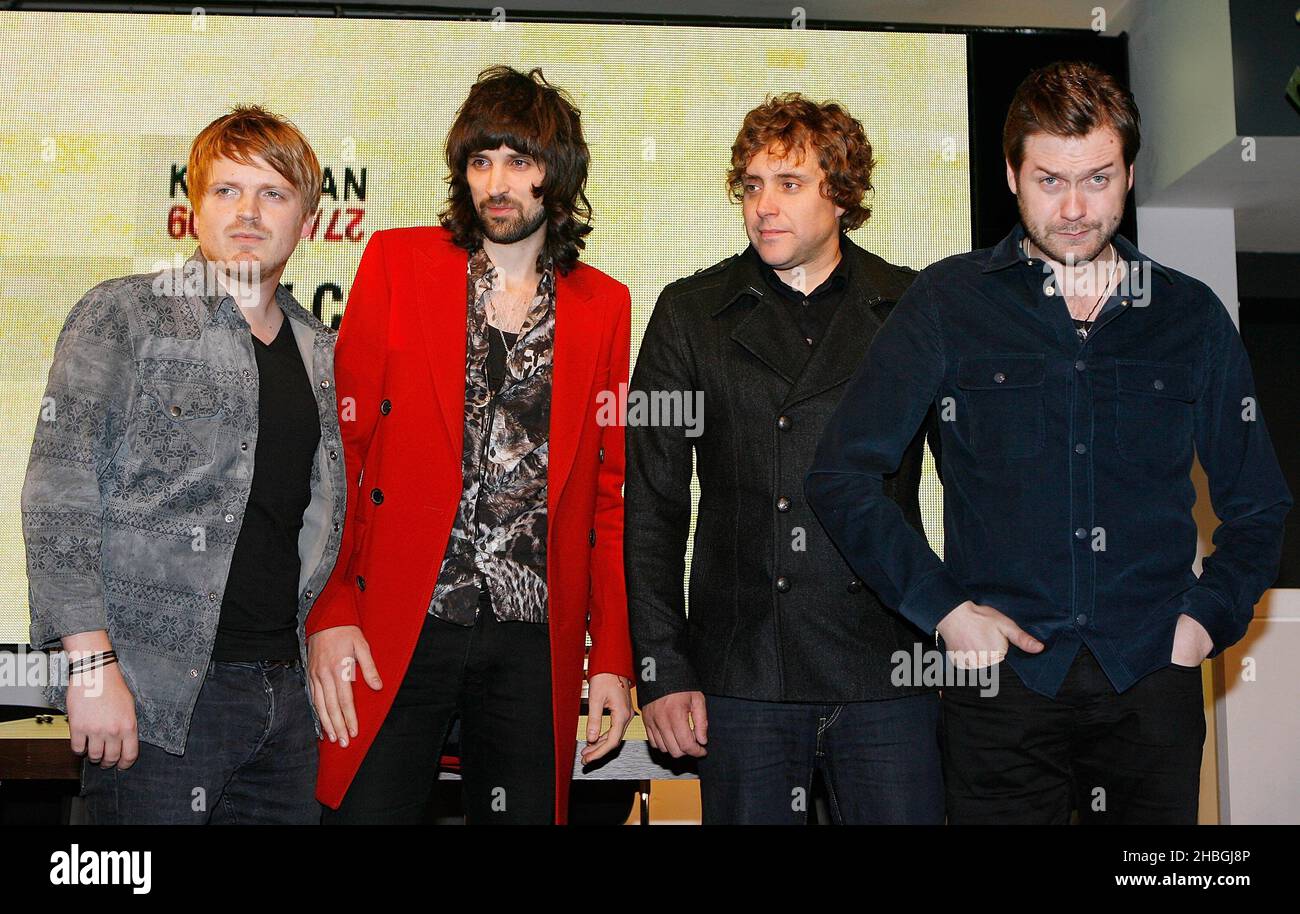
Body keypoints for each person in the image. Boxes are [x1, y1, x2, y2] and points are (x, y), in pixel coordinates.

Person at [805, 61, 1292, 824]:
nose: (1072, 208)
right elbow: (842, 476)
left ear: (1130, 174)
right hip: (998, 695)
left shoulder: (1190, 316)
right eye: (1048, 181)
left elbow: (1260, 506)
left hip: (1151, 689)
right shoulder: (946, 302)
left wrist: (1203, 624)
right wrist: (945, 611)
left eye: (1097, 180)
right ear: (1010, 174)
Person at [308, 66, 634, 824]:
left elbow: (608, 501)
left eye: (520, 162)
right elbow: (337, 456)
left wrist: (613, 657)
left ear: (558, 175)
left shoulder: (604, 305)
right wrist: (329, 612)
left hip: (530, 638)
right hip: (399, 621)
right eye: (481, 161)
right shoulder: (398, 263)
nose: (497, 182)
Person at [626, 93, 943, 824]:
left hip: (888, 668)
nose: (764, 205)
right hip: (741, 676)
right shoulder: (689, 311)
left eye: (789, 184)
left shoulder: (909, 306)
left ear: (842, 194)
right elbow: (652, 505)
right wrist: (662, 670)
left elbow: (975, 477)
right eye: (752, 185)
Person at [22, 105, 341, 823]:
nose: (248, 212)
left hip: (286, 708)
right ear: (193, 208)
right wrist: (91, 666)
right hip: (157, 696)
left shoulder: (320, 349)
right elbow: (57, 493)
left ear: (308, 219)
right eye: (226, 190)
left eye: (274, 193)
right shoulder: (126, 314)